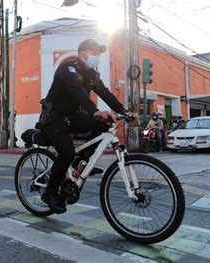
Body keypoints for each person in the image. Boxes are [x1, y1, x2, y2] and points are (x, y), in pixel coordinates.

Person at [38, 39, 138, 214]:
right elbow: (76, 90)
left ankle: (81, 161)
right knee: (67, 152)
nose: (98, 56)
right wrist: (94, 111)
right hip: (54, 117)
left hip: (71, 116)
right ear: (83, 53)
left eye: (99, 53)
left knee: (102, 124)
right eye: (95, 53)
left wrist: (125, 111)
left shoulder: (92, 74)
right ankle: (49, 193)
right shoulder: (67, 67)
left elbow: (105, 93)